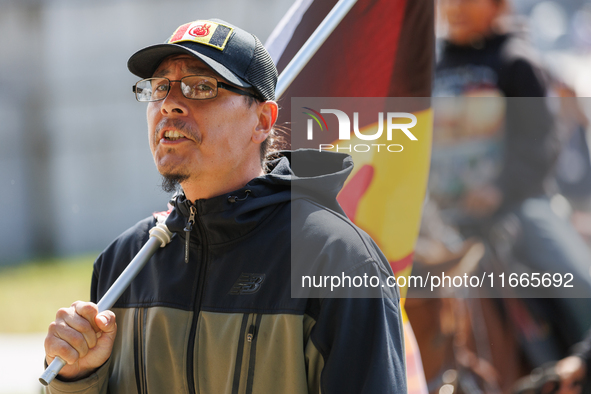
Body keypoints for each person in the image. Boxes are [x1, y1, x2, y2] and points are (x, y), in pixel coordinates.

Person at [42, 18, 407, 393]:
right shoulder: (124, 263)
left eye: (201, 87)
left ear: (262, 121)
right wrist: (76, 376)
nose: (169, 104)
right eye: (160, 87)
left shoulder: (337, 260)